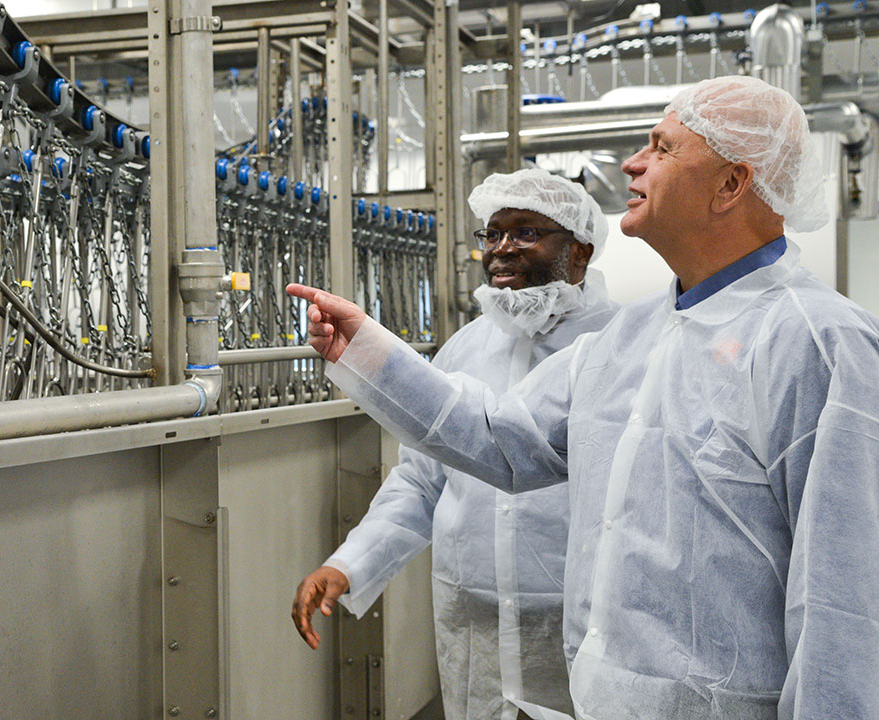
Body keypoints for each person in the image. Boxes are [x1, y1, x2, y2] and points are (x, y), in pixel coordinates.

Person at [287, 75, 879, 718]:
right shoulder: (631, 335)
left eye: (662, 147)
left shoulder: (815, 341)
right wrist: (366, 349)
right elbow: (495, 436)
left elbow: (844, 598)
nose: (632, 161)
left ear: (731, 185)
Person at [290, 169, 618, 720]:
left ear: (580, 253)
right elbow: (423, 480)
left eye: (526, 233)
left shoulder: (618, 346)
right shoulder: (466, 349)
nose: (502, 250)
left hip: (577, 628)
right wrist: (351, 563)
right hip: (476, 628)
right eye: (492, 234)